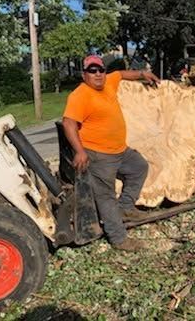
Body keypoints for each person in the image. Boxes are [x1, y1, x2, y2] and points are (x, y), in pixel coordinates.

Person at [62, 55, 160, 251]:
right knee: (105, 196)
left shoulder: (109, 82)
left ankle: (125, 207)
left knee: (139, 167)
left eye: (101, 70)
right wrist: (80, 151)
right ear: (84, 75)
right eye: (92, 70)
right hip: (99, 155)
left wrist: (142, 74)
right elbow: (68, 123)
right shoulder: (80, 95)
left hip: (120, 151)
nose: (98, 74)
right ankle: (119, 238)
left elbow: (122, 74)